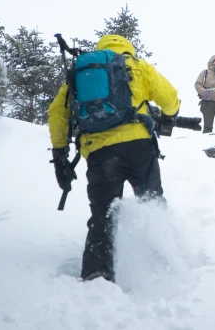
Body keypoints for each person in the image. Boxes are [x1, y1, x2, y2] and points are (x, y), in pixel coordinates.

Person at [48, 34, 180, 282]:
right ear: (127, 48)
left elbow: (57, 113)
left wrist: (59, 153)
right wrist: (170, 116)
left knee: (103, 214)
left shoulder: (81, 71)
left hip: (100, 153)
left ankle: (97, 272)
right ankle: (164, 261)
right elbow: (170, 98)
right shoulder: (138, 66)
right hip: (139, 148)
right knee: (152, 202)